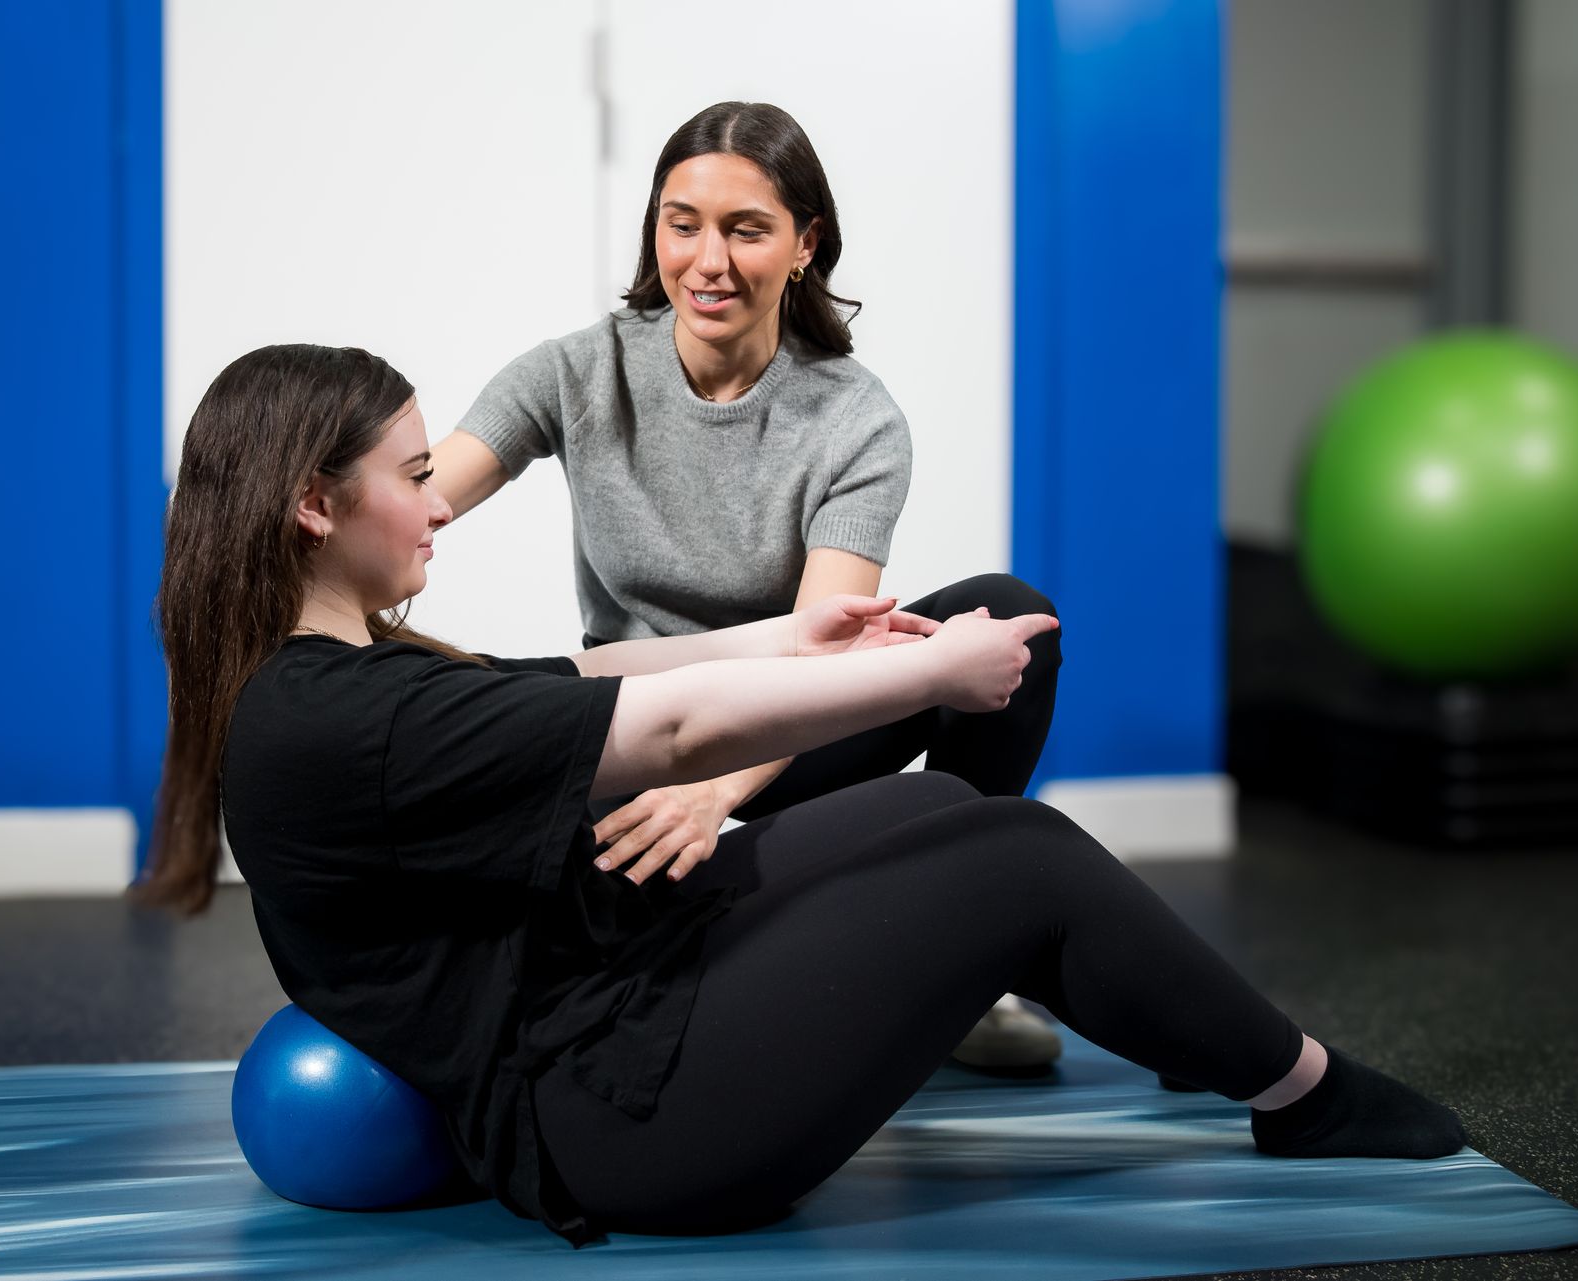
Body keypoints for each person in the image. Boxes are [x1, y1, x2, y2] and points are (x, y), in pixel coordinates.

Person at [138, 344, 1470, 1247]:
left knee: (935, 817)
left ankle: (1183, 1021)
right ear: (318, 505)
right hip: (619, 1120)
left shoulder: (339, 674)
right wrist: (933, 675)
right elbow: (667, 727)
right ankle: (1305, 1096)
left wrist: (799, 638)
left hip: (610, 999)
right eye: (414, 476)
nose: (437, 505)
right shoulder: (330, 718)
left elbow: (595, 667)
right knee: (1020, 854)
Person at [430, 100, 1060, 1069]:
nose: (707, 260)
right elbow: (424, 495)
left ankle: (954, 954)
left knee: (1013, 613)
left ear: (805, 244)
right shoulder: (576, 370)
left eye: (746, 229)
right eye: (682, 224)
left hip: (777, 735)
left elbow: (825, 653)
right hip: (637, 729)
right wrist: (298, 526)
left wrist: (713, 792)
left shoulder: (854, 419)